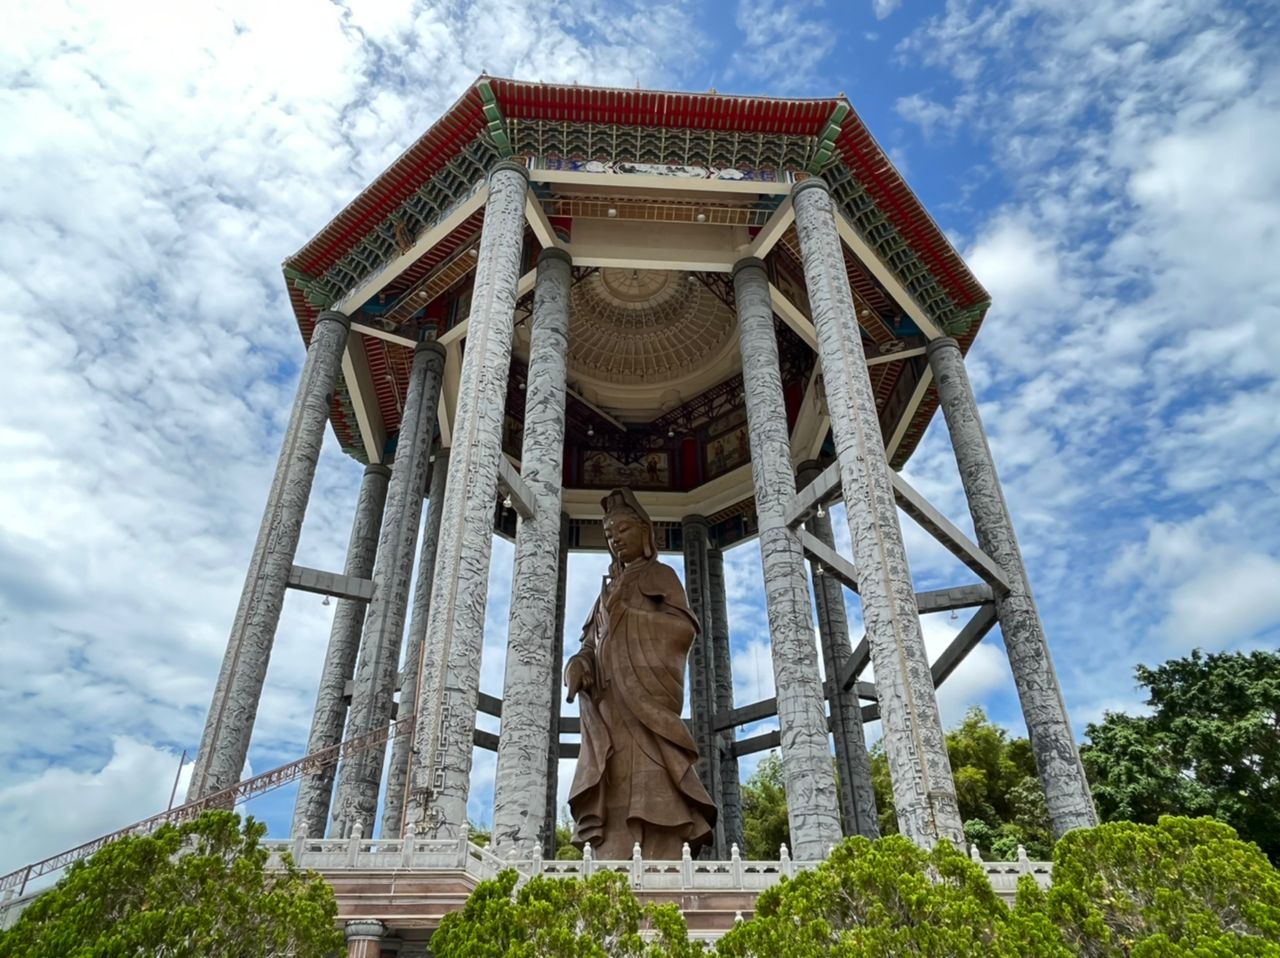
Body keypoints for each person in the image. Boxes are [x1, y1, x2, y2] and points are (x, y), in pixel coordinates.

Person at [565, 488, 717, 859]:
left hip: (645, 701)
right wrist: (581, 664)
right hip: (610, 706)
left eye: (622, 530)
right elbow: (592, 642)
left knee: (653, 776)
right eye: (609, 535)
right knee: (612, 775)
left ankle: (661, 848)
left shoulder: (660, 575)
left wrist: (627, 619)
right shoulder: (606, 591)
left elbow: (682, 628)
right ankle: (612, 847)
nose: (615, 539)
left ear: (644, 531)